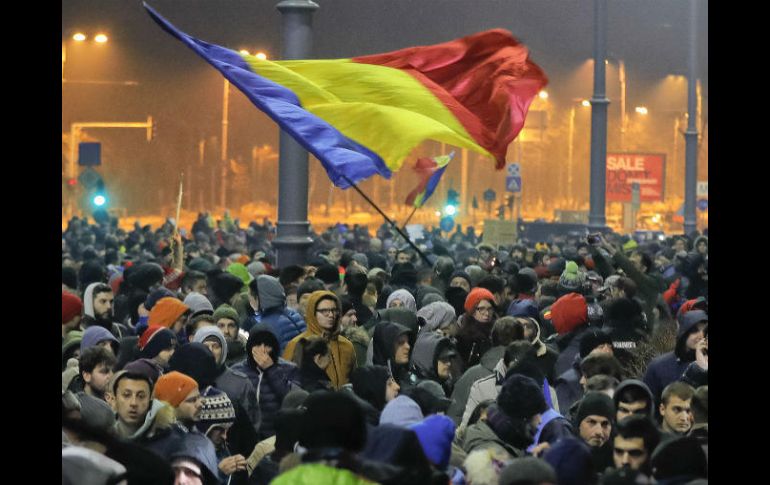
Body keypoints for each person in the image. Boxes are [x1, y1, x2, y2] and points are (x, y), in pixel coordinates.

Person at [232, 324, 298, 440]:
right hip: (247, 437)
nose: (262, 350)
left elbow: (294, 400)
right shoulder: (237, 371)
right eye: (257, 345)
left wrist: (271, 369)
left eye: (267, 345)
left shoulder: (289, 369)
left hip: (278, 436)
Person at [282, 291, 357, 389]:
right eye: (324, 311)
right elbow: (286, 381)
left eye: (334, 310)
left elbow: (354, 379)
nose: (331, 315)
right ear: (312, 313)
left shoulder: (346, 345)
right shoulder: (298, 344)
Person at [643, 310, 707, 403]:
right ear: (684, 333)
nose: (701, 336)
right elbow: (647, 404)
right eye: (694, 330)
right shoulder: (658, 366)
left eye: (705, 331)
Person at [247, 275, 306, 350]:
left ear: (259, 298)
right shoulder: (294, 314)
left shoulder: (264, 327)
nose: (250, 302)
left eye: (250, 298)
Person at [456, 288, 498, 369]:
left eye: (490, 309)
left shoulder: (498, 331)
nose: (487, 313)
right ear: (472, 311)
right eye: (481, 309)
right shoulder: (463, 338)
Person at [574, 392, 615, 473]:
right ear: (579, 425)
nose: (598, 432)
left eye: (605, 424)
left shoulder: (621, 458)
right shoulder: (564, 458)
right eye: (592, 422)